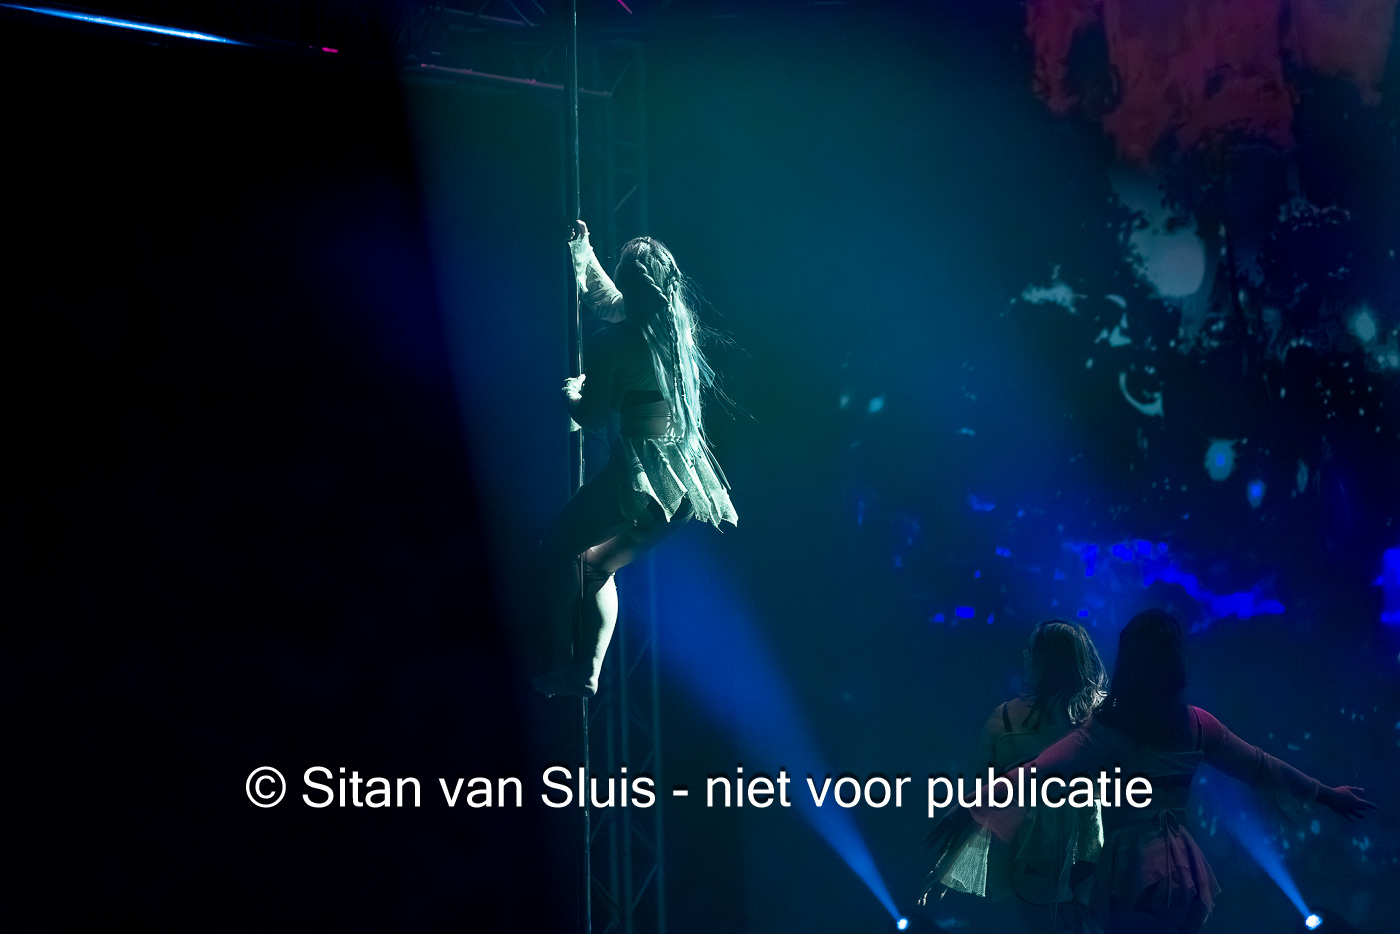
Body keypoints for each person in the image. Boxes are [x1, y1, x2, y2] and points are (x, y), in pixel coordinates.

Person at [925, 610, 1376, 934]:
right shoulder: (1196, 724)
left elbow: (1031, 774)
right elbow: (1260, 766)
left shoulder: (1106, 731)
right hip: (1183, 870)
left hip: (1129, 869)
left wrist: (968, 810)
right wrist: (1326, 793)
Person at [533, 221, 737, 698]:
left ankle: (561, 662)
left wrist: (570, 393)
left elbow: (593, 416)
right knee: (595, 567)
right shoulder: (677, 332)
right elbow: (607, 301)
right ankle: (585, 675)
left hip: (642, 480)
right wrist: (583, 251)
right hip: (681, 489)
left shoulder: (613, 343)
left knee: (557, 550)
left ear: (630, 281)